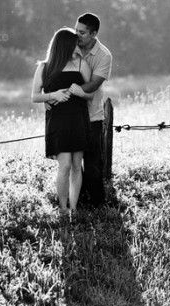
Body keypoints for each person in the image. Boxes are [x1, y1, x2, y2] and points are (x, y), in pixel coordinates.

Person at [48, 12, 113, 208]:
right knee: (71, 164)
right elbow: (53, 76)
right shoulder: (68, 48)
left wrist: (64, 93)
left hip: (91, 116)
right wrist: (50, 96)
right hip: (67, 117)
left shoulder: (103, 56)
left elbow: (93, 84)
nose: (77, 35)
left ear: (94, 34)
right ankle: (77, 202)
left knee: (92, 164)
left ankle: (98, 205)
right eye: (76, 30)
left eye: (82, 33)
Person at [31, 27, 94, 218]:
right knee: (64, 165)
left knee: (76, 165)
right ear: (65, 45)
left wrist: (80, 92)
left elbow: (90, 94)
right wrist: (54, 95)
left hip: (78, 119)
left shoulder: (81, 64)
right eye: (75, 43)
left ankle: (74, 208)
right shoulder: (44, 67)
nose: (78, 46)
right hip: (58, 122)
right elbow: (35, 96)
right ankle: (62, 208)